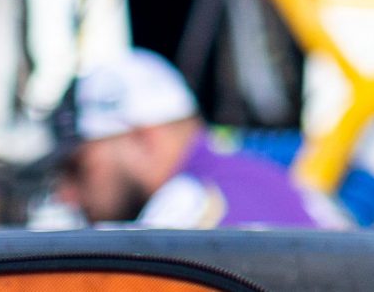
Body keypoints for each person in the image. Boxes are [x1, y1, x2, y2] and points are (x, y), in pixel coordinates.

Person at [56, 49, 335, 229]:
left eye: (78, 169)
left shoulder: (184, 208)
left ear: (144, 139)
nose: (65, 195)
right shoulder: (276, 180)